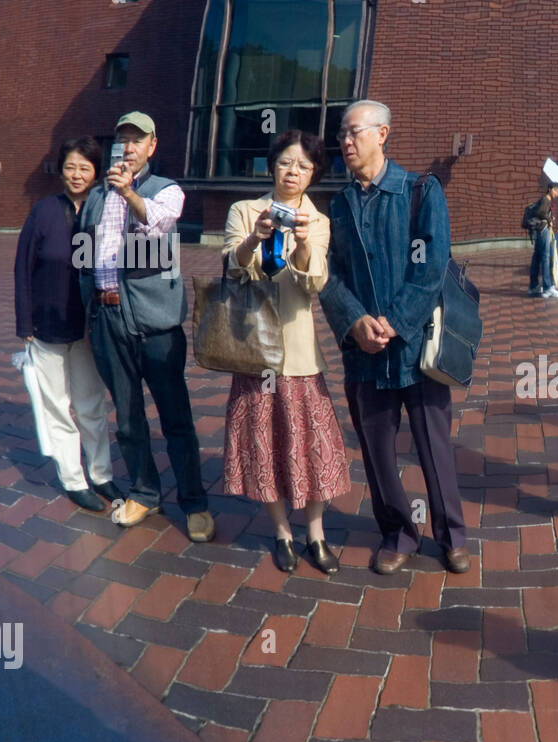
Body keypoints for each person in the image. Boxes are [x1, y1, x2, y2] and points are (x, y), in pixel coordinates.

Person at [318, 99, 469, 575]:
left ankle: (451, 535)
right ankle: (399, 532)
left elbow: (430, 268)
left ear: (382, 134)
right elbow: (329, 275)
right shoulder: (337, 206)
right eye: (342, 134)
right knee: (378, 452)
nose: (346, 141)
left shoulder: (420, 191)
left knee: (433, 446)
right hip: (363, 354)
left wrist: (395, 323)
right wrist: (355, 321)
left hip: (416, 347)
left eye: (355, 132)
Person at [79, 111, 213, 540]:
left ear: (152, 146)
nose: (129, 148)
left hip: (155, 325)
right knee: (129, 417)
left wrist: (129, 193)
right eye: (122, 141)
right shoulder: (98, 196)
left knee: (176, 418)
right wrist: (89, 312)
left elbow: (157, 227)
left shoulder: (165, 190)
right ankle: (144, 492)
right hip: (107, 318)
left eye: (137, 140)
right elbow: (83, 255)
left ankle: (193, 501)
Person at [222, 130, 349, 574]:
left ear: (313, 174)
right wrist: (254, 239)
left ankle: (316, 536)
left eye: (303, 166)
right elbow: (232, 268)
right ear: (271, 166)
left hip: (298, 353)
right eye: (285, 163)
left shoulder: (318, 221)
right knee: (266, 448)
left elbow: (314, 284)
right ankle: (282, 534)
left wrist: (302, 244)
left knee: (312, 447)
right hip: (256, 351)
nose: (292, 172)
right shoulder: (244, 210)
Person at [13, 137, 118, 511]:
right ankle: (74, 479)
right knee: (58, 405)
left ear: (96, 172)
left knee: (91, 404)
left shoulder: (103, 209)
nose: (76, 174)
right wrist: (24, 321)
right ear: (62, 169)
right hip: (47, 327)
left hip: (88, 326)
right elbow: (23, 269)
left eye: (85, 168)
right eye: (71, 166)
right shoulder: (43, 212)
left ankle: (102, 474)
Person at [525, 182, 558, 298]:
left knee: (537, 257)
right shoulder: (546, 199)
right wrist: (549, 218)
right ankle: (547, 288)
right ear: (550, 189)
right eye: (556, 190)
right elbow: (540, 212)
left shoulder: (544, 200)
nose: (557, 193)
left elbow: (540, 212)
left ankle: (533, 286)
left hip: (539, 231)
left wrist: (548, 217)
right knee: (546, 257)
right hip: (544, 230)